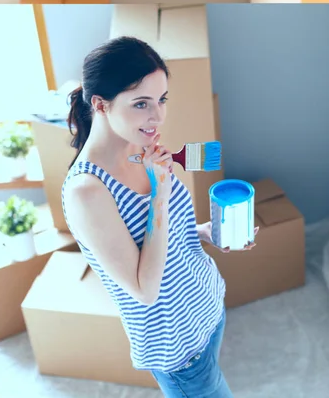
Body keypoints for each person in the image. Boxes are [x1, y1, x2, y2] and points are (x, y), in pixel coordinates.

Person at [61, 36, 258, 398]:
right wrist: (160, 195)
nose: (158, 117)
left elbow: (167, 237)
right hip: (179, 349)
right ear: (100, 104)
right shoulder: (86, 192)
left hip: (207, 305)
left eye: (161, 99)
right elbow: (144, 289)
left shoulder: (141, 146)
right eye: (141, 104)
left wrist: (203, 232)